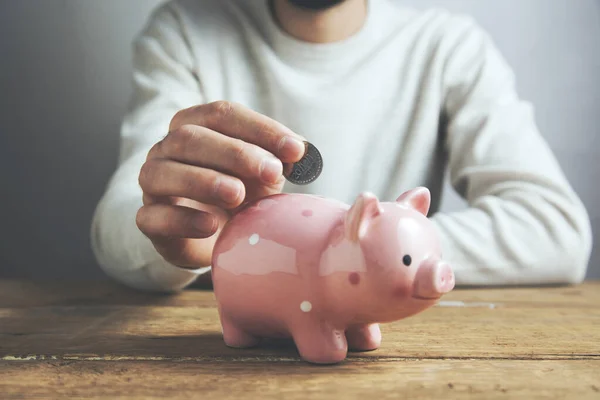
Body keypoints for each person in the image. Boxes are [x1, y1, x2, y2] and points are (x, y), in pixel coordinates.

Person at [91, 0, 592, 292]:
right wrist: (169, 233)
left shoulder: (446, 45)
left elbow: (556, 231)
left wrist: (357, 252)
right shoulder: (182, 30)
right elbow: (116, 228)